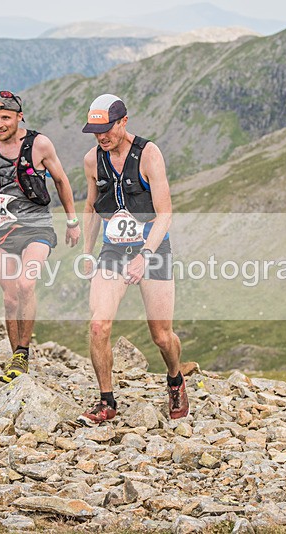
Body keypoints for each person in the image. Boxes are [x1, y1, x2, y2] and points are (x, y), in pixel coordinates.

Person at [79, 93, 188, 425]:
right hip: (113, 250)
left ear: (123, 121)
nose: (102, 137)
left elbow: (165, 213)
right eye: (96, 131)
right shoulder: (92, 160)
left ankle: (175, 379)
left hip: (152, 248)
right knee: (98, 325)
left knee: (161, 335)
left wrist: (145, 255)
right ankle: (107, 401)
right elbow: (91, 207)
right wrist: (86, 252)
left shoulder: (149, 154)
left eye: (107, 129)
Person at [0, 90, 80, 383]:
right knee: (10, 298)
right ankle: (17, 360)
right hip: (4, 229)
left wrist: (72, 221)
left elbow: (61, 181)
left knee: (26, 284)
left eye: (6, 118)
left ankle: (23, 352)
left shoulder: (39, 145)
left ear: (19, 117)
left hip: (37, 226)